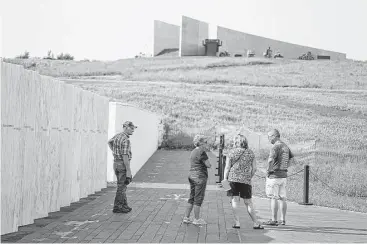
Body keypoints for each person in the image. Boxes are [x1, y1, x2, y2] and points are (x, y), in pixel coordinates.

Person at [223, 134, 264, 229]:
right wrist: (249, 177)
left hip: (233, 179)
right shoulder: (250, 153)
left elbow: (227, 167)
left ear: (236, 142)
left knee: (234, 200)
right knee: (248, 202)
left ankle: (237, 222)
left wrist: (225, 179)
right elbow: (254, 169)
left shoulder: (231, 152)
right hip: (246, 180)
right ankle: (256, 223)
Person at [263, 129, 294, 226]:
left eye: (269, 137)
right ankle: (283, 220)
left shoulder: (275, 147)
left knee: (273, 197)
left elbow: (270, 160)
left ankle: (273, 219)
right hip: (283, 175)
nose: (268, 139)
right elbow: (291, 160)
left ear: (274, 136)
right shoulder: (285, 146)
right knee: (283, 198)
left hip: (274, 175)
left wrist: (268, 170)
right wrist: (285, 167)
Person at [108, 121, 137, 213]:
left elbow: (109, 142)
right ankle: (118, 207)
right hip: (122, 164)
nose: (133, 130)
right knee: (122, 187)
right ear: (125, 127)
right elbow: (125, 156)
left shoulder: (117, 136)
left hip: (116, 163)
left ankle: (124, 205)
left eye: (134, 128)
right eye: (131, 128)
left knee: (122, 185)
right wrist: (128, 170)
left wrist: (115, 152)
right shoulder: (125, 140)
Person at [183, 135, 211, 225]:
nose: (207, 144)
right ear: (201, 143)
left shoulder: (193, 151)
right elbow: (208, 165)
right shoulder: (202, 152)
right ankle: (197, 219)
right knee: (198, 198)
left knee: (192, 197)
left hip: (191, 176)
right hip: (200, 177)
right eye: (205, 142)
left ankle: (186, 217)